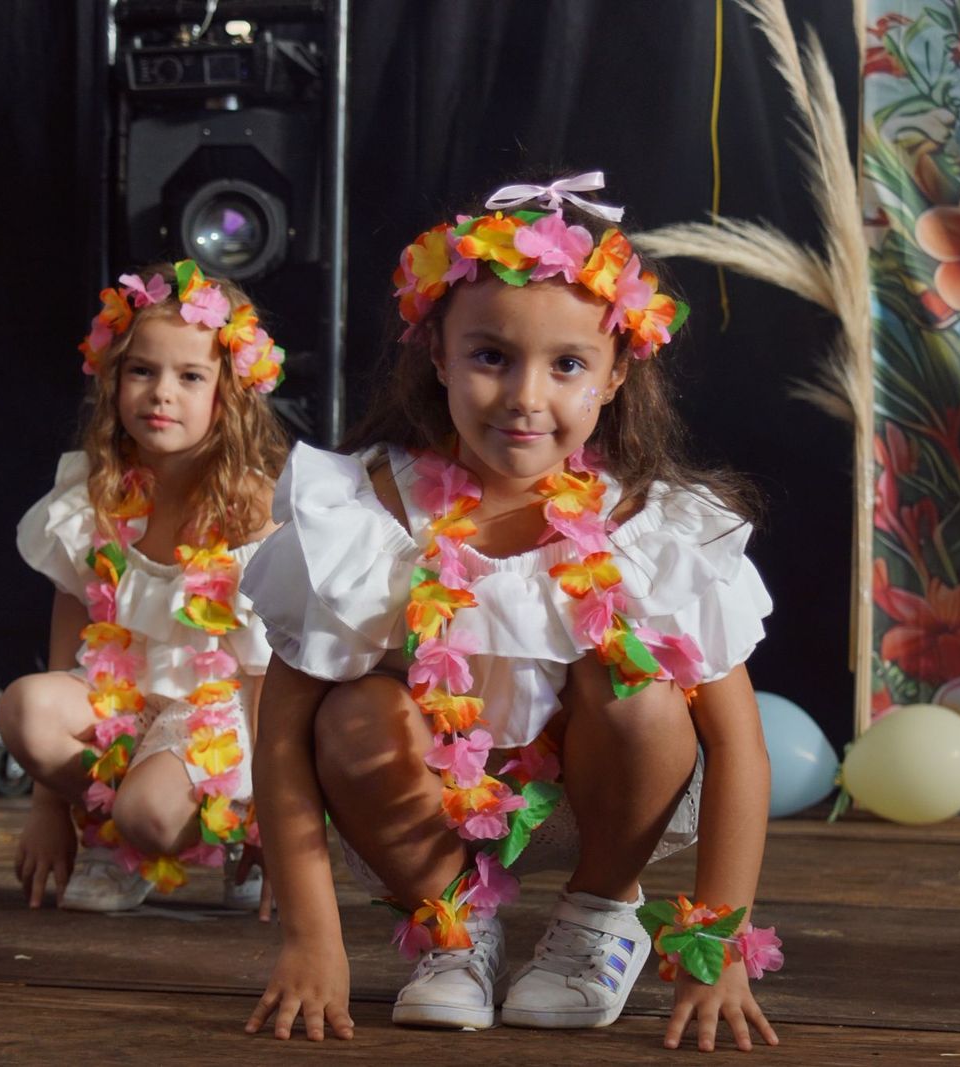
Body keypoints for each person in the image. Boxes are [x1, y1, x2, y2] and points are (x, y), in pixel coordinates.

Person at [240, 174, 783, 1051]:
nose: (528, 396)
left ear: (612, 378)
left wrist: (717, 948)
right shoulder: (367, 514)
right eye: (491, 356)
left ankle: (598, 918)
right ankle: (455, 932)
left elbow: (739, 747)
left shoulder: (651, 528)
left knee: (640, 686)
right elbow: (281, 733)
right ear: (439, 357)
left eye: (567, 364)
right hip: (419, 803)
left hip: (602, 803)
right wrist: (312, 938)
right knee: (352, 710)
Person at [0, 260, 290, 914]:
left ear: (230, 394)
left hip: (218, 715)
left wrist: (276, 818)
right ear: (113, 382)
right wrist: (49, 803)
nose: (162, 393)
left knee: (150, 815)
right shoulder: (92, 497)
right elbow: (69, 640)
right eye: (142, 370)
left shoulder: (252, 511)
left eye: (190, 376)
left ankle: (217, 826)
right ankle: (109, 831)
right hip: (123, 699)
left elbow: (270, 676)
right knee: (25, 708)